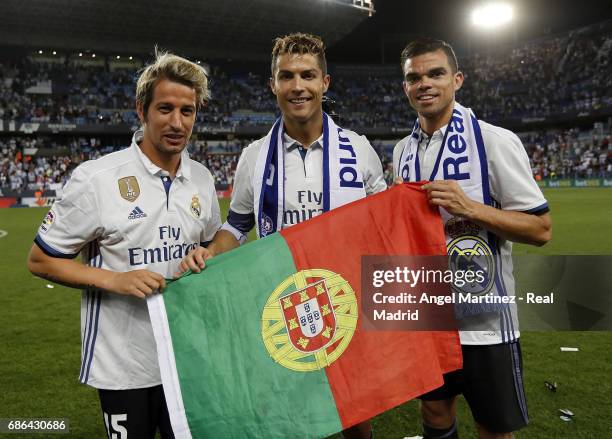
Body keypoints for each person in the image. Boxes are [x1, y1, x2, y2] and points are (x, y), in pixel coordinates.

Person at [179, 32, 386, 439]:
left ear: (324, 83)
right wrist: (208, 254)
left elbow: (383, 225)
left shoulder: (359, 150)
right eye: (286, 76)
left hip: (347, 303)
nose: (297, 86)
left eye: (307, 75)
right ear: (273, 84)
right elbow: (236, 226)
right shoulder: (254, 157)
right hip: (283, 307)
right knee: (288, 417)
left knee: (356, 415)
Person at [27, 50, 220, 438]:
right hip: (123, 365)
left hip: (186, 359)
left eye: (188, 111)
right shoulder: (96, 179)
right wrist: (115, 280)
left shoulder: (201, 178)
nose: (177, 122)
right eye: (165, 108)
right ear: (141, 111)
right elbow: (41, 261)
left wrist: (207, 254)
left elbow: (213, 241)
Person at [393, 38, 552, 439]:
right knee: (435, 412)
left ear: (457, 80)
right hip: (427, 319)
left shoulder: (494, 140)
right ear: (405, 87)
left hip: (487, 323)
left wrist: (471, 208)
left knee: (494, 428)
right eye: (414, 77)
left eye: (435, 74)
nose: (424, 83)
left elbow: (541, 228)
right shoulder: (401, 152)